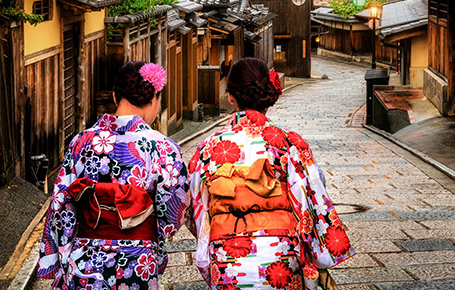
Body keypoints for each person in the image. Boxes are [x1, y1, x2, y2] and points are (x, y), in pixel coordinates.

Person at [187, 57, 353, 289]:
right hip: (280, 254)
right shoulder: (289, 142)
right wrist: (316, 254)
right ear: (267, 94)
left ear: (230, 96)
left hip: (227, 256)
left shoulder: (208, 148)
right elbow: (313, 203)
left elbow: (194, 210)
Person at [38, 61, 189, 290]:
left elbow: (61, 205)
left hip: (85, 260)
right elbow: (174, 214)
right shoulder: (163, 147)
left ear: (115, 96)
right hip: (139, 259)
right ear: (153, 99)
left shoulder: (81, 142)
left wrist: (61, 255)